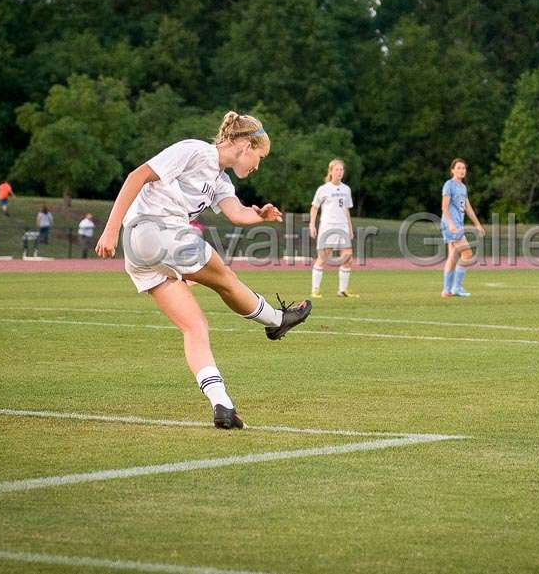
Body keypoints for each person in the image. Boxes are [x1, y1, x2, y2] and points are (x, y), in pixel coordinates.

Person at [95, 111, 312, 430]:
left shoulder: (219, 179)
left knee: (195, 326)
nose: (257, 165)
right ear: (244, 144)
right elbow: (136, 176)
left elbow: (236, 213)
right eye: (259, 156)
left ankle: (222, 405)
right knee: (226, 279)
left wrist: (261, 216)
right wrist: (110, 230)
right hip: (155, 232)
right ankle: (276, 321)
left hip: (143, 252)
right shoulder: (195, 151)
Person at [309, 159, 357, 298]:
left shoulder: (346, 189)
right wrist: (312, 224)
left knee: (348, 258)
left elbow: (346, 210)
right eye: (337, 169)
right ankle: (315, 290)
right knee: (323, 257)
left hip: (342, 227)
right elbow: (314, 207)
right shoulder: (323, 189)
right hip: (328, 227)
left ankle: (342, 291)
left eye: (341, 170)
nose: (339, 172)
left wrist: (350, 227)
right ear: (331, 171)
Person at [440, 158, 485, 297]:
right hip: (451, 225)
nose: (462, 170)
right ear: (452, 170)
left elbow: (468, 208)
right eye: (459, 168)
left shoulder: (463, 187)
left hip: (458, 225)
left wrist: (477, 224)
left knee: (453, 257)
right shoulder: (449, 184)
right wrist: (451, 224)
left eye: (464, 168)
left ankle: (447, 290)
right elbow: (444, 207)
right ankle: (456, 288)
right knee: (467, 254)